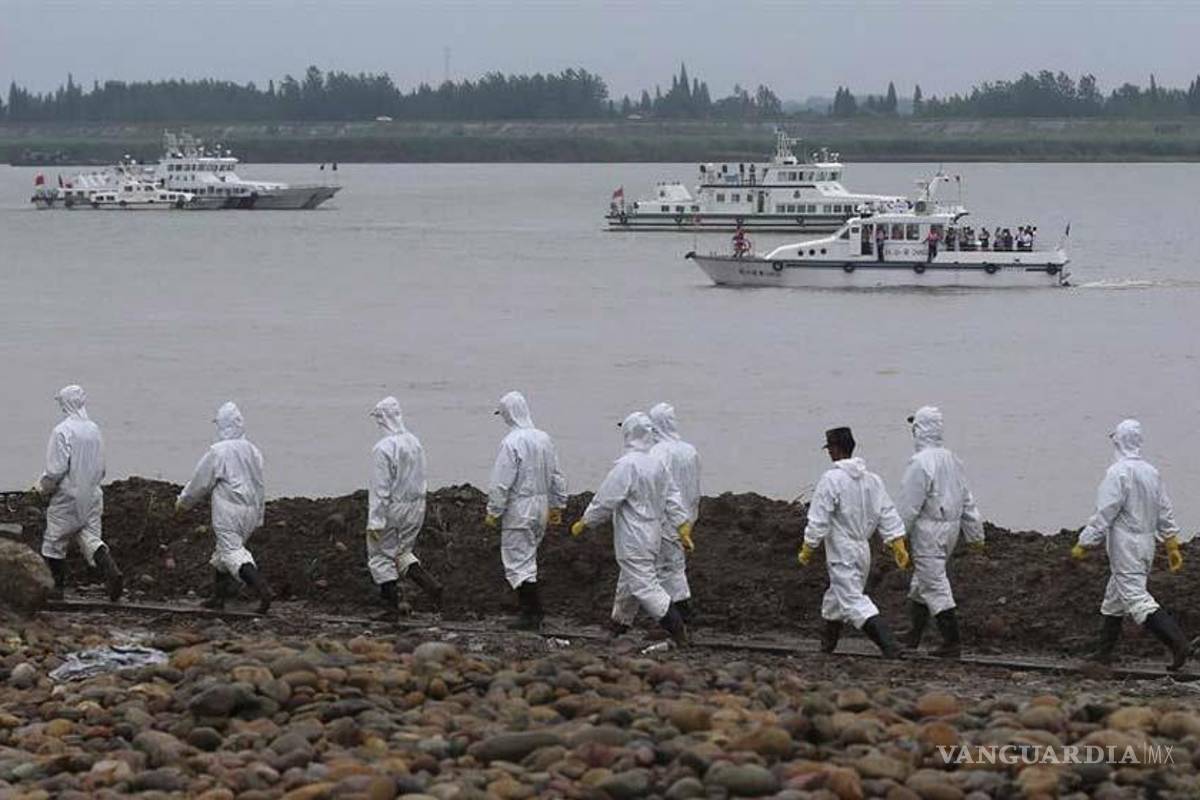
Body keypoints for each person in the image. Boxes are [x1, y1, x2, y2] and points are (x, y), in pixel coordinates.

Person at [1070, 420, 1190, 670]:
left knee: (1136, 599)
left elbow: (1105, 512)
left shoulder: (1117, 473)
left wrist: (1085, 542)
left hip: (1126, 545)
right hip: (1146, 543)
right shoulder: (1151, 472)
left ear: (1118, 441)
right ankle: (1103, 654)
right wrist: (1171, 543)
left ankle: (1177, 642)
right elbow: (1164, 509)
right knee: (1114, 597)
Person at [570, 412, 693, 646]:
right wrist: (682, 524)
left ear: (629, 433)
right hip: (654, 532)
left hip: (633, 535)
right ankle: (619, 623)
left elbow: (606, 499)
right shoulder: (657, 464)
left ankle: (677, 628)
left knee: (645, 585)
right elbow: (672, 496)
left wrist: (586, 521)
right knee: (629, 580)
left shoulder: (627, 465)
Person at [798, 427, 909, 658]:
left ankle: (890, 646)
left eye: (830, 448)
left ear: (836, 449)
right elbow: (887, 512)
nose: (829, 452)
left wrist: (809, 545)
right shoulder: (872, 480)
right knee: (836, 597)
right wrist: (896, 540)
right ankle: (827, 646)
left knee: (852, 601)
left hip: (842, 550)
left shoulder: (831, 479)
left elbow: (819, 517)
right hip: (862, 549)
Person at [896, 406, 984, 658]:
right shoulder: (952, 459)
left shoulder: (920, 463)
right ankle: (913, 634)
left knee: (934, 584)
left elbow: (909, 505)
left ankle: (951, 641)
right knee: (922, 582)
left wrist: (896, 536)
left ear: (919, 430)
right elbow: (967, 499)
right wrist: (975, 535)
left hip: (929, 532)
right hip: (950, 529)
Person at [176, 402, 272, 613]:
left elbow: (200, 483)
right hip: (251, 510)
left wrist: (183, 503)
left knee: (231, 552)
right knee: (223, 552)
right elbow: (259, 484)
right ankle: (218, 598)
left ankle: (261, 588)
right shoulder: (253, 451)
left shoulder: (218, 452)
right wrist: (259, 515)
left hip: (229, 510)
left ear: (221, 425)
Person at [484, 391, 568, 631]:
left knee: (518, 562)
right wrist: (557, 505)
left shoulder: (511, 442)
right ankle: (532, 612)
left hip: (520, 509)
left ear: (508, 414)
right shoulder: (544, 438)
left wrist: (494, 510)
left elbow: (501, 481)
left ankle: (531, 613)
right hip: (541, 507)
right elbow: (557, 475)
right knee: (529, 558)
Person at [34, 385, 124, 601]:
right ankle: (111, 570)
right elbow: (102, 467)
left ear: (65, 403)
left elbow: (55, 470)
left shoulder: (62, 431)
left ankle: (56, 588)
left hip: (68, 496)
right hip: (93, 494)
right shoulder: (94, 429)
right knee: (89, 537)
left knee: (54, 540)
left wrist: (42, 488)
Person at [365, 396, 443, 615]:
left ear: (382, 418)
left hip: (393, 508)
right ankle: (432, 586)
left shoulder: (383, 448)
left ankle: (390, 608)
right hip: (416, 506)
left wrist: (376, 520)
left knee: (380, 556)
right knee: (402, 552)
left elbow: (380, 488)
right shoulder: (414, 442)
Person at [648, 402, 701, 622]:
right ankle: (677, 615)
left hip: (666, 518)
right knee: (676, 566)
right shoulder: (690, 451)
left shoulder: (658, 452)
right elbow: (695, 487)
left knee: (664, 569)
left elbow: (656, 488)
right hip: (687, 516)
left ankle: (677, 616)